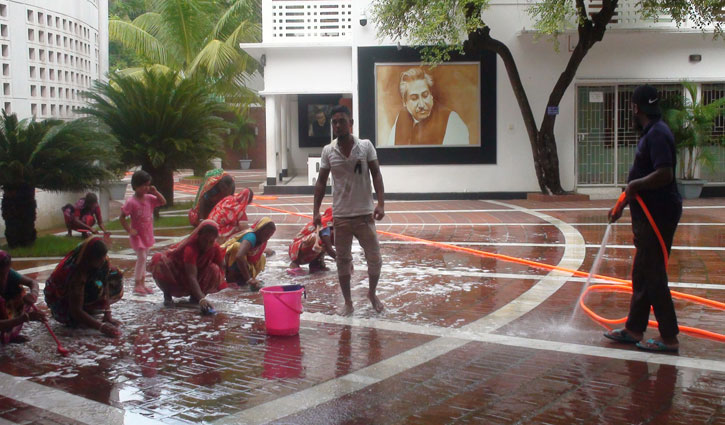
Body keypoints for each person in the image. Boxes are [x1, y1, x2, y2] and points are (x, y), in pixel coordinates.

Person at [604, 84, 683, 353]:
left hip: (658, 215)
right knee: (642, 272)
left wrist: (634, 187)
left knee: (653, 274)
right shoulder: (652, 132)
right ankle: (634, 329)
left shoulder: (658, 134)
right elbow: (639, 180)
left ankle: (669, 337)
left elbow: (665, 174)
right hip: (647, 214)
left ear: (635, 108)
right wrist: (623, 203)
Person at [313, 105, 386, 316]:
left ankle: (372, 293)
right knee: (343, 261)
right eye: (334, 122)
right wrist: (316, 210)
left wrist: (380, 204)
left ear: (351, 123)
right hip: (342, 216)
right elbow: (321, 182)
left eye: (341, 121)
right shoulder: (329, 151)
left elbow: (377, 175)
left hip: (365, 214)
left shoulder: (365, 147)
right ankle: (348, 302)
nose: (337, 125)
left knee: (375, 258)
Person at [44, 238, 123, 337]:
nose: (103, 260)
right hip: (60, 301)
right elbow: (75, 310)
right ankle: (79, 313)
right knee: (91, 292)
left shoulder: (103, 261)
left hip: (80, 292)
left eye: (104, 256)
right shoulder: (77, 273)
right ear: (89, 258)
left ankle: (86, 309)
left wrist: (108, 313)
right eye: (99, 258)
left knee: (115, 274)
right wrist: (102, 327)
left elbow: (106, 282)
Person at [381, 67, 469, 147]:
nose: (422, 104)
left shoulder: (452, 121)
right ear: (404, 102)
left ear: (431, 95)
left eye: (425, 95)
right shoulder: (400, 118)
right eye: (414, 98)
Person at [150, 220, 225, 314]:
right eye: (205, 240)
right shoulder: (190, 248)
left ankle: (196, 295)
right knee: (158, 260)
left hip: (198, 275)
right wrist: (202, 299)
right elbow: (191, 276)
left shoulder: (214, 247)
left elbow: (223, 266)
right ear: (199, 237)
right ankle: (168, 295)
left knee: (214, 269)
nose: (207, 245)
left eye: (211, 241)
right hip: (178, 275)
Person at [120, 170, 167, 295]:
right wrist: (129, 230)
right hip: (137, 236)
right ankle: (137, 283)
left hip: (147, 234)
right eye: (143, 185)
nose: (146, 188)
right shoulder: (131, 202)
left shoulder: (149, 199)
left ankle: (143, 282)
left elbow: (163, 202)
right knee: (141, 258)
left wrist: (155, 192)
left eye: (148, 185)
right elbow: (122, 217)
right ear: (135, 186)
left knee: (144, 258)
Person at [0, 251, 46, 343]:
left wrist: (33, 294)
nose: (3, 278)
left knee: (19, 294)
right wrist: (23, 318)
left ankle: (10, 333)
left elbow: (32, 283)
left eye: (5, 274)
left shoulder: (9, 273)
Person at [222, 217, 276, 291]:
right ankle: (232, 279)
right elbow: (239, 256)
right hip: (231, 263)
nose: (267, 237)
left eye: (270, 235)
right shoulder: (251, 237)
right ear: (259, 230)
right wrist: (249, 279)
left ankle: (245, 280)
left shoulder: (260, 240)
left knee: (262, 258)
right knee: (236, 248)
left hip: (243, 263)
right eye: (266, 234)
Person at [288, 207, 336, 276]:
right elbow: (329, 249)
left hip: (304, 247)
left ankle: (316, 264)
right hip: (296, 249)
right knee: (319, 240)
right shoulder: (324, 226)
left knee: (328, 238)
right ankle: (295, 264)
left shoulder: (330, 226)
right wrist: (343, 262)